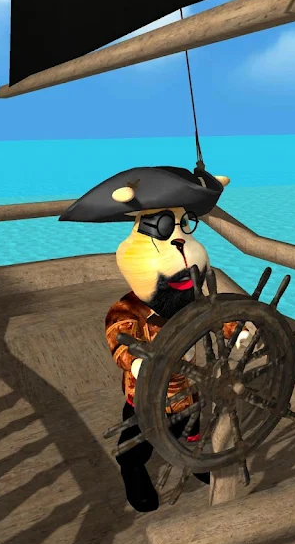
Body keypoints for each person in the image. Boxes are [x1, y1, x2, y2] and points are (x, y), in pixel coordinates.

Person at [59, 165, 252, 512]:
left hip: (189, 389)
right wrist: (135, 362)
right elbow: (119, 338)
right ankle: (133, 473)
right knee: (137, 442)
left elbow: (213, 316)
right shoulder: (128, 309)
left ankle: (192, 459)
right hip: (146, 394)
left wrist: (235, 333)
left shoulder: (192, 300)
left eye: (184, 225)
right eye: (162, 227)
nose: (179, 240)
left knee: (189, 430)